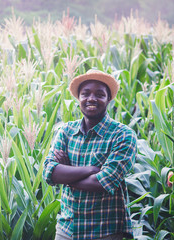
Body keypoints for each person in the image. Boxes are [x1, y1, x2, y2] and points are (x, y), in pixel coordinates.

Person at [43, 69, 137, 240]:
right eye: (85, 93)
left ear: (108, 99)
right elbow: (50, 172)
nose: (91, 98)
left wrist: (68, 174)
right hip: (66, 229)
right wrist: (91, 169)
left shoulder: (123, 135)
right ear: (78, 98)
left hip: (104, 231)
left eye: (99, 94)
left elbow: (103, 182)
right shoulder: (66, 131)